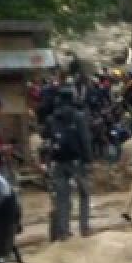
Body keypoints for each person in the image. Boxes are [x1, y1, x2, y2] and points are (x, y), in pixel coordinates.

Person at [44, 87, 94, 240]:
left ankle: (63, 231)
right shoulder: (78, 116)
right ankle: (84, 228)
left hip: (58, 161)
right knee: (84, 193)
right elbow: (84, 139)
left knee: (62, 197)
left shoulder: (51, 118)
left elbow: (48, 140)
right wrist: (88, 159)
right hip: (76, 161)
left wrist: (48, 160)